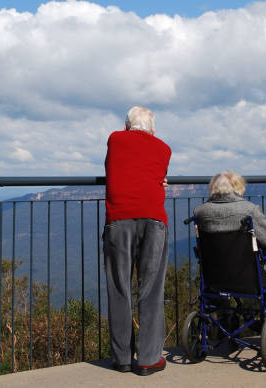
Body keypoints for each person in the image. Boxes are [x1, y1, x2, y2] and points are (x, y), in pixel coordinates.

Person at [103, 106, 171, 375]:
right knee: (151, 290)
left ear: (126, 126)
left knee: (119, 287)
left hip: (118, 220)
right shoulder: (163, 148)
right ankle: (148, 359)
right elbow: (153, 173)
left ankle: (121, 358)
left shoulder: (116, 139)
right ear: (153, 130)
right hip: (154, 219)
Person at [194, 171, 266, 312]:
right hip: (248, 278)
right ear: (237, 186)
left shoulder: (200, 212)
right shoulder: (249, 210)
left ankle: (225, 316)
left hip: (214, 278)